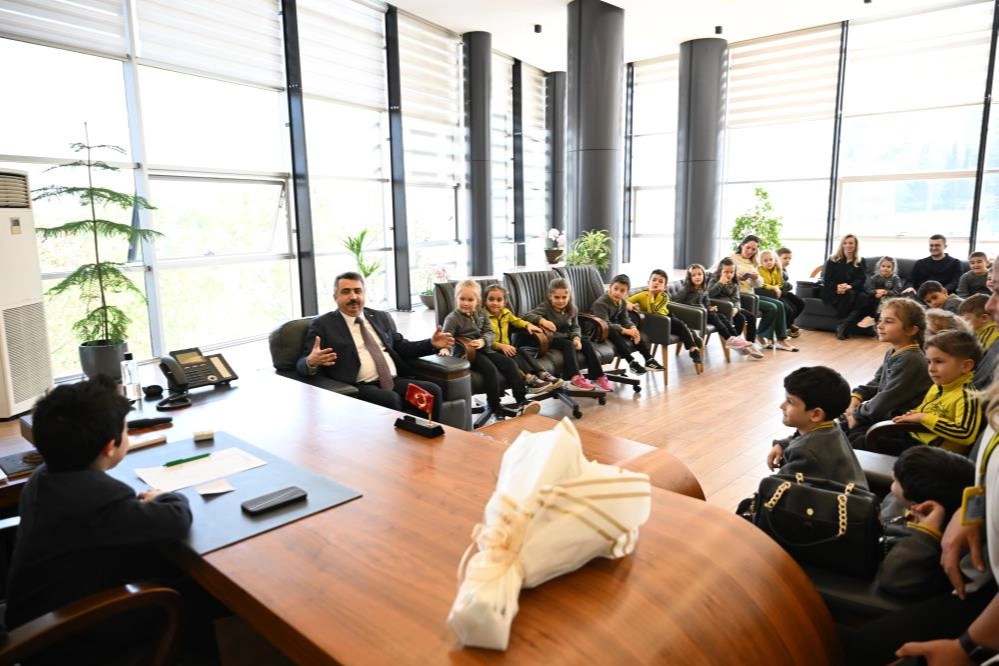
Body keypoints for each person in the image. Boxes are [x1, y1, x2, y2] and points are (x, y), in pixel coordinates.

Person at [842, 255, 999, 666]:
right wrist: (972, 509)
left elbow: (961, 432)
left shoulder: (968, 388)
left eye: (998, 293)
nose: (990, 306)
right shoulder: (984, 377)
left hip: (980, 584)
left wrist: (967, 648)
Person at [6, 375, 195, 663]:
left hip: (32, 620)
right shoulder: (100, 499)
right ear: (109, 447)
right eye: (126, 430)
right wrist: (163, 496)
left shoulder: (42, 478)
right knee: (194, 595)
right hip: (69, 635)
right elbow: (175, 520)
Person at [297, 271, 454, 421]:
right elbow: (301, 364)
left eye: (358, 291)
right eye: (346, 292)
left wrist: (431, 343)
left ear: (364, 294)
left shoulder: (379, 317)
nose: (353, 297)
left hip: (394, 382)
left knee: (432, 391)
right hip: (358, 387)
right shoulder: (323, 325)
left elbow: (401, 347)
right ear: (335, 297)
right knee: (390, 399)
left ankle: (428, 437)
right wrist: (311, 361)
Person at [878, 447, 975, 597]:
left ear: (919, 505)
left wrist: (926, 533)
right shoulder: (900, 501)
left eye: (896, 480)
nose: (892, 475)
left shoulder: (933, 550)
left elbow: (894, 579)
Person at [440, 280, 541, 419]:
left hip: (484, 348)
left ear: (477, 300)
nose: (465, 303)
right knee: (491, 370)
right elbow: (446, 336)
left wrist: (483, 341)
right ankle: (494, 406)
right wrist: (445, 348)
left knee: (510, 363)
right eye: (462, 299)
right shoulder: (452, 318)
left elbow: (490, 332)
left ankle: (521, 400)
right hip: (467, 353)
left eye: (470, 300)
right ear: (456, 298)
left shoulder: (481, 313)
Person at [845, 298, 932, 449]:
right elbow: (877, 382)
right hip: (887, 416)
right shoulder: (895, 352)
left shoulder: (910, 359)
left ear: (911, 330)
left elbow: (887, 396)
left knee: (852, 439)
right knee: (839, 427)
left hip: (901, 426)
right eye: (880, 320)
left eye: (889, 321)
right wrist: (857, 396)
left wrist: (858, 416)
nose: (879, 325)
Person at [882, 328, 982, 456]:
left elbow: (965, 434)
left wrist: (923, 417)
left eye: (938, 361)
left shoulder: (968, 396)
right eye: (929, 362)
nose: (931, 369)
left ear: (966, 366)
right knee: (861, 433)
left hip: (934, 453)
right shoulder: (938, 386)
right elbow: (925, 409)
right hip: (917, 437)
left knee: (864, 441)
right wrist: (914, 414)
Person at [766, 366, 867, 488]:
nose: (782, 405)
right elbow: (805, 438)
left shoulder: (805, 453)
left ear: (816, 414)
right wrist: (782, 445)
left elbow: (779, 489)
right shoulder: (831, 427)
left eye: (790, 401)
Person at [523, 277, 613, 393]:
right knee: (568, 344)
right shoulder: (545, 307)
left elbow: (575, 327)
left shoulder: (572, 308)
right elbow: (526, 316)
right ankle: (575, 378)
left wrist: (576, 338)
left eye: (564, 297)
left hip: (566, 336)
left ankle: (598, 376)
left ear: (569, 296)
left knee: (585, 342)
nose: (561, 301)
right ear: (550, 296)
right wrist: (542, 321)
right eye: (556, 297)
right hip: (551, 339)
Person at [483, 283, 563, 393]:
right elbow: (483, 337)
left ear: (504, 302)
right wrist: (500, 346)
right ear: (485, 300)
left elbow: (517, 321)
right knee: (512, 360)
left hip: (507, 347)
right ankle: (529, 379)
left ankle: (542, 373)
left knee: (521, 352)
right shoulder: (483, 316)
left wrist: (527, 325)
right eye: (491, 299)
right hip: (492, 350)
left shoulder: (506, 312)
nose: (495, 303)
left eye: (499, 300)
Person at [730, 235, 797, 351]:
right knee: (772, 307)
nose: (750, 251)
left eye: (754, 249)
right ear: (741, 245)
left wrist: (756, 278)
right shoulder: (730, 258)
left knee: (779, 304)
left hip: (751, 294)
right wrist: (734, 276)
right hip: (740, 296)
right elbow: (713, 273)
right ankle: (762, 335)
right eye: (748, 247)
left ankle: (780, 339)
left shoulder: (753, 262)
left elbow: (759, 284)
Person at [622, 270, 697, 371]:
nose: (656, 283)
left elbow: (654, 310)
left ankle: (693, 348)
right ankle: (691, 334)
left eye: (660, 281)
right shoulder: (642, 294)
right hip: (654, 322)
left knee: (679, 325)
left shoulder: (664, 297)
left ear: (665, 287)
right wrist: (629, 304)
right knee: (681, 327)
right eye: (654, 280)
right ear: (648, 283)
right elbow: (624, 301)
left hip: (666, 317)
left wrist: (651, 296)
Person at [675, 263, 755, 355]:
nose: (697, 277)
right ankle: (729, 339)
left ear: (703, 276)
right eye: (694, 275)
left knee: (721, 316)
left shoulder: (703, 288)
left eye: (699, 274)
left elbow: (706, 303)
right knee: (713, 316)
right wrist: (691, 310)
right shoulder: (686, 289)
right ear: (690, 277)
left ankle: (735, 338)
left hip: (703, 314)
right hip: (693, 316)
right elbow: (676, 303)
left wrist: (710, 307)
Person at [708, 258, 765, 359]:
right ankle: (737, 344)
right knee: (741, 319)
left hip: (732, 307)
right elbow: (709, 294)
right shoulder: (714, 280)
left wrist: (736, 309)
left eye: (731, 272)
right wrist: (720, 283)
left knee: (751, 317)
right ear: (720, 271)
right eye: (726, 272)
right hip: (720, 307)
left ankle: (750, 344)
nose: (729, 274)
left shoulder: (734, 282)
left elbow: (736, 299)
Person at [821, 234, 869, 340]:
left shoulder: (861, 261)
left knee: (863, 297)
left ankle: (842, 325)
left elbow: (861, 279)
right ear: (842, 245)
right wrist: (837, 287)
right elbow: (827, 279)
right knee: (847, 295)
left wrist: (849, 286)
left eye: (851, 243)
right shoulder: (833, 259)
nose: (848, 245)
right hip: (834, 290)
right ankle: (843, 327)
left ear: (855, 245)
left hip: (853, 289)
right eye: (845, 243)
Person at [758, 249, 804, 339]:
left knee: (800, 303)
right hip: (770, 293)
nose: (788, 260)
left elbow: (781, 283)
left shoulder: (778, 269)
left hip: (779, 291)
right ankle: (784, 328)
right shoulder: (761, 270)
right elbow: (762, 284)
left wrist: (778, 287)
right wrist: (775, 287)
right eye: (785, 258)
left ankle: (787, 325)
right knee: (789, 308)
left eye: (789, 258)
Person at [859, 256, 903, 328]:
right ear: (879, 267)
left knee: (883, 300)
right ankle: (869, 317)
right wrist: (876, 292)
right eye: (883, 266)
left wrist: (885, 292)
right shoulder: (874, 278)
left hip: (889, 297)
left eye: (888, 267)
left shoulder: (895, 278)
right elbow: (869, 290)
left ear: (892, 268)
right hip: (875, 298)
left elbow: (897, 291)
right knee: (866, 298)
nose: (885, 268)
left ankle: (875, 319)